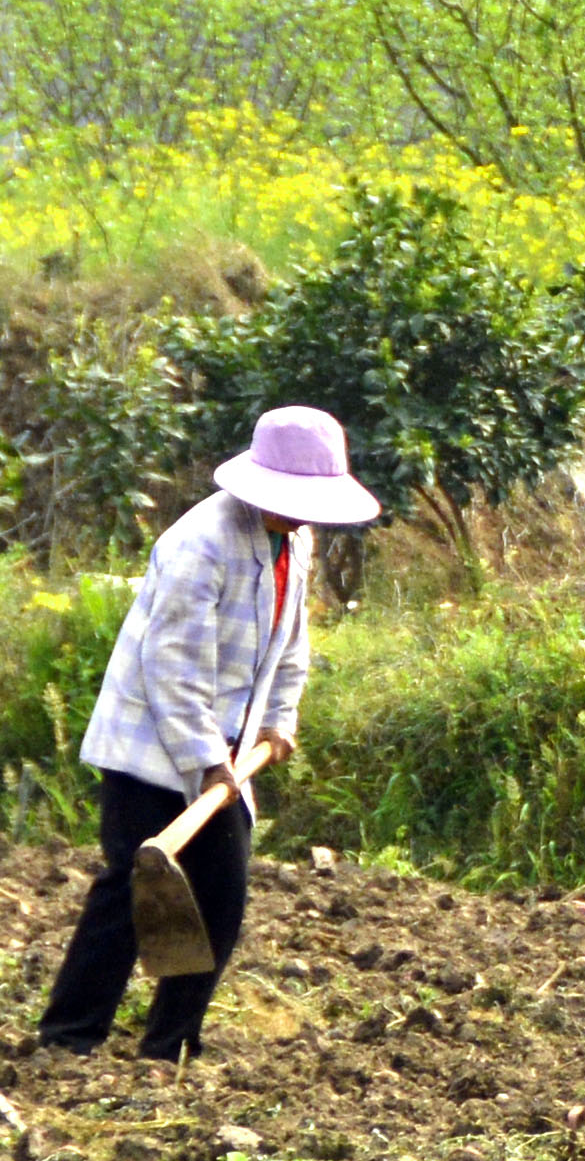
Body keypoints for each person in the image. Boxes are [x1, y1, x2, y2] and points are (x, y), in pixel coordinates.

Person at [38, 407, 380, 1062]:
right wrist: (205, 760)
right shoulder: (202, 544)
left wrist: (279, 719)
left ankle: (169, 1047)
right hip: (149, 745)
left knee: (221, 896)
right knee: (131, 889)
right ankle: (68, 1038)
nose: (300, 515)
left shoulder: (294, 542)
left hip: (226, 746)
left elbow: (290, 645)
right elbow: (173, 668)